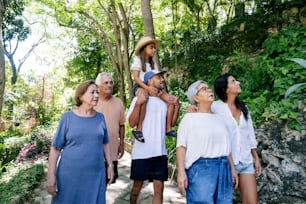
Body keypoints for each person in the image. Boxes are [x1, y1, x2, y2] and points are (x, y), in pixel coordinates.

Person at [46, 80, 114, 204]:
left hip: (95, 175)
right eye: (92, 92)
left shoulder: (100, 117)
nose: (97, 95)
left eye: (97, 92)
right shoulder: (67, 117)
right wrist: (51, 175)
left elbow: (105, 143)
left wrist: (110, 165)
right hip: (69, 176)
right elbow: (55, 148)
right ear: (81, 96)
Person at [177, 80, 238, 203]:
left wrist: (232, 169)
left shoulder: (219, 118)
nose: (209, 90)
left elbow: (227, 146)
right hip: (201, 169)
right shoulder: (189, 118)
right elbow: (181, 146)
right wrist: (181, 172)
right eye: (204, 89)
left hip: (223, 167)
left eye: (209, 88)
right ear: (196, 98)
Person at [127, 70, 180, 204]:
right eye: (158, 77)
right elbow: (131, 123)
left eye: (162, 77)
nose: (162, 80)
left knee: (159, 188)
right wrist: (138, 103)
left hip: (160, 152)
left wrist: (177, 106)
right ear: (149, 81)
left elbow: (171, 123)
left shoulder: (165, 102)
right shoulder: (139, 98)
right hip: (142, 152)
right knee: (136, 188)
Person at [212, 73, 262, 204]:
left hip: (245, 161)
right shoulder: (215, 107)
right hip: (226, 162)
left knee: (251, 202)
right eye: (233, 81)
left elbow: (250, 135)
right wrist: (192, 109)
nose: (238, 82)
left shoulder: (243, 108)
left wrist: (256, 158)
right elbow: (201, 113)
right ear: (225, 89)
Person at [130, 36, 178, 142]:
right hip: (141, 86)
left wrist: (158, 91)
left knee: (170, 100)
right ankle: (139, 129)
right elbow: (136, 78)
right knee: (144, 98)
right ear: (144, 49)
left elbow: (156, 78)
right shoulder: (138, 60)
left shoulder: (153, 63)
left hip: (153, 87)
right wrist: (147, 88)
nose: (154, 50)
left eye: (154, 48)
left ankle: (168, 128)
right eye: (151, 47)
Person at [94, 72, 125, 184]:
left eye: (111, 82)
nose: (109, 85)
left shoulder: (118, 102)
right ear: (98, 86)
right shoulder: (93, 102)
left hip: (112, 152)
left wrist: (121, 144)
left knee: (107, 182)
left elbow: (122, 125)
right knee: (94, 183)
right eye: (106, 83)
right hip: (94, 152)